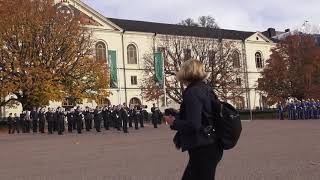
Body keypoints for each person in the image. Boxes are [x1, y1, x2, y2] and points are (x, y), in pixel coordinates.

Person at [164, 59, 223, 180]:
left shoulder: (192, 92)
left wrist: (173, 122)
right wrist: (179, 116)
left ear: (186, 72)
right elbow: (203, 116)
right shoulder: (206, 88)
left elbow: (194, 124)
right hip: (211, 143)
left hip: (203, 147)